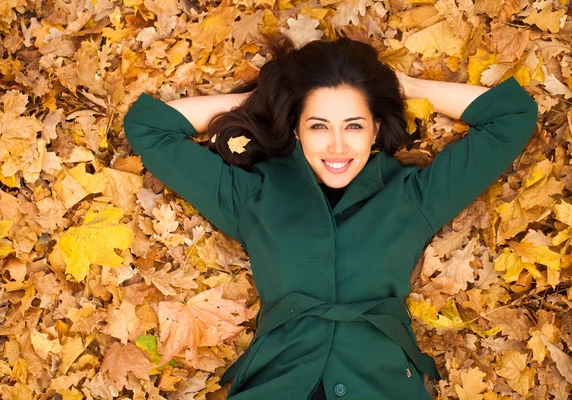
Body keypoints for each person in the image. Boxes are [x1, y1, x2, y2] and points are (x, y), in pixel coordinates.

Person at [123, 36, 538, 400]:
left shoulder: (412, 197)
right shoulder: (254, 196)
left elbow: (512, 116)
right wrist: (266, 99)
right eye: (319, 125)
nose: (337, 146)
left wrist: (405, 86)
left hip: (383, 386)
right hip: (278, 383)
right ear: (297, 129)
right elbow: (149, 127)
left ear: (375, 130)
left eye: (354, 125)